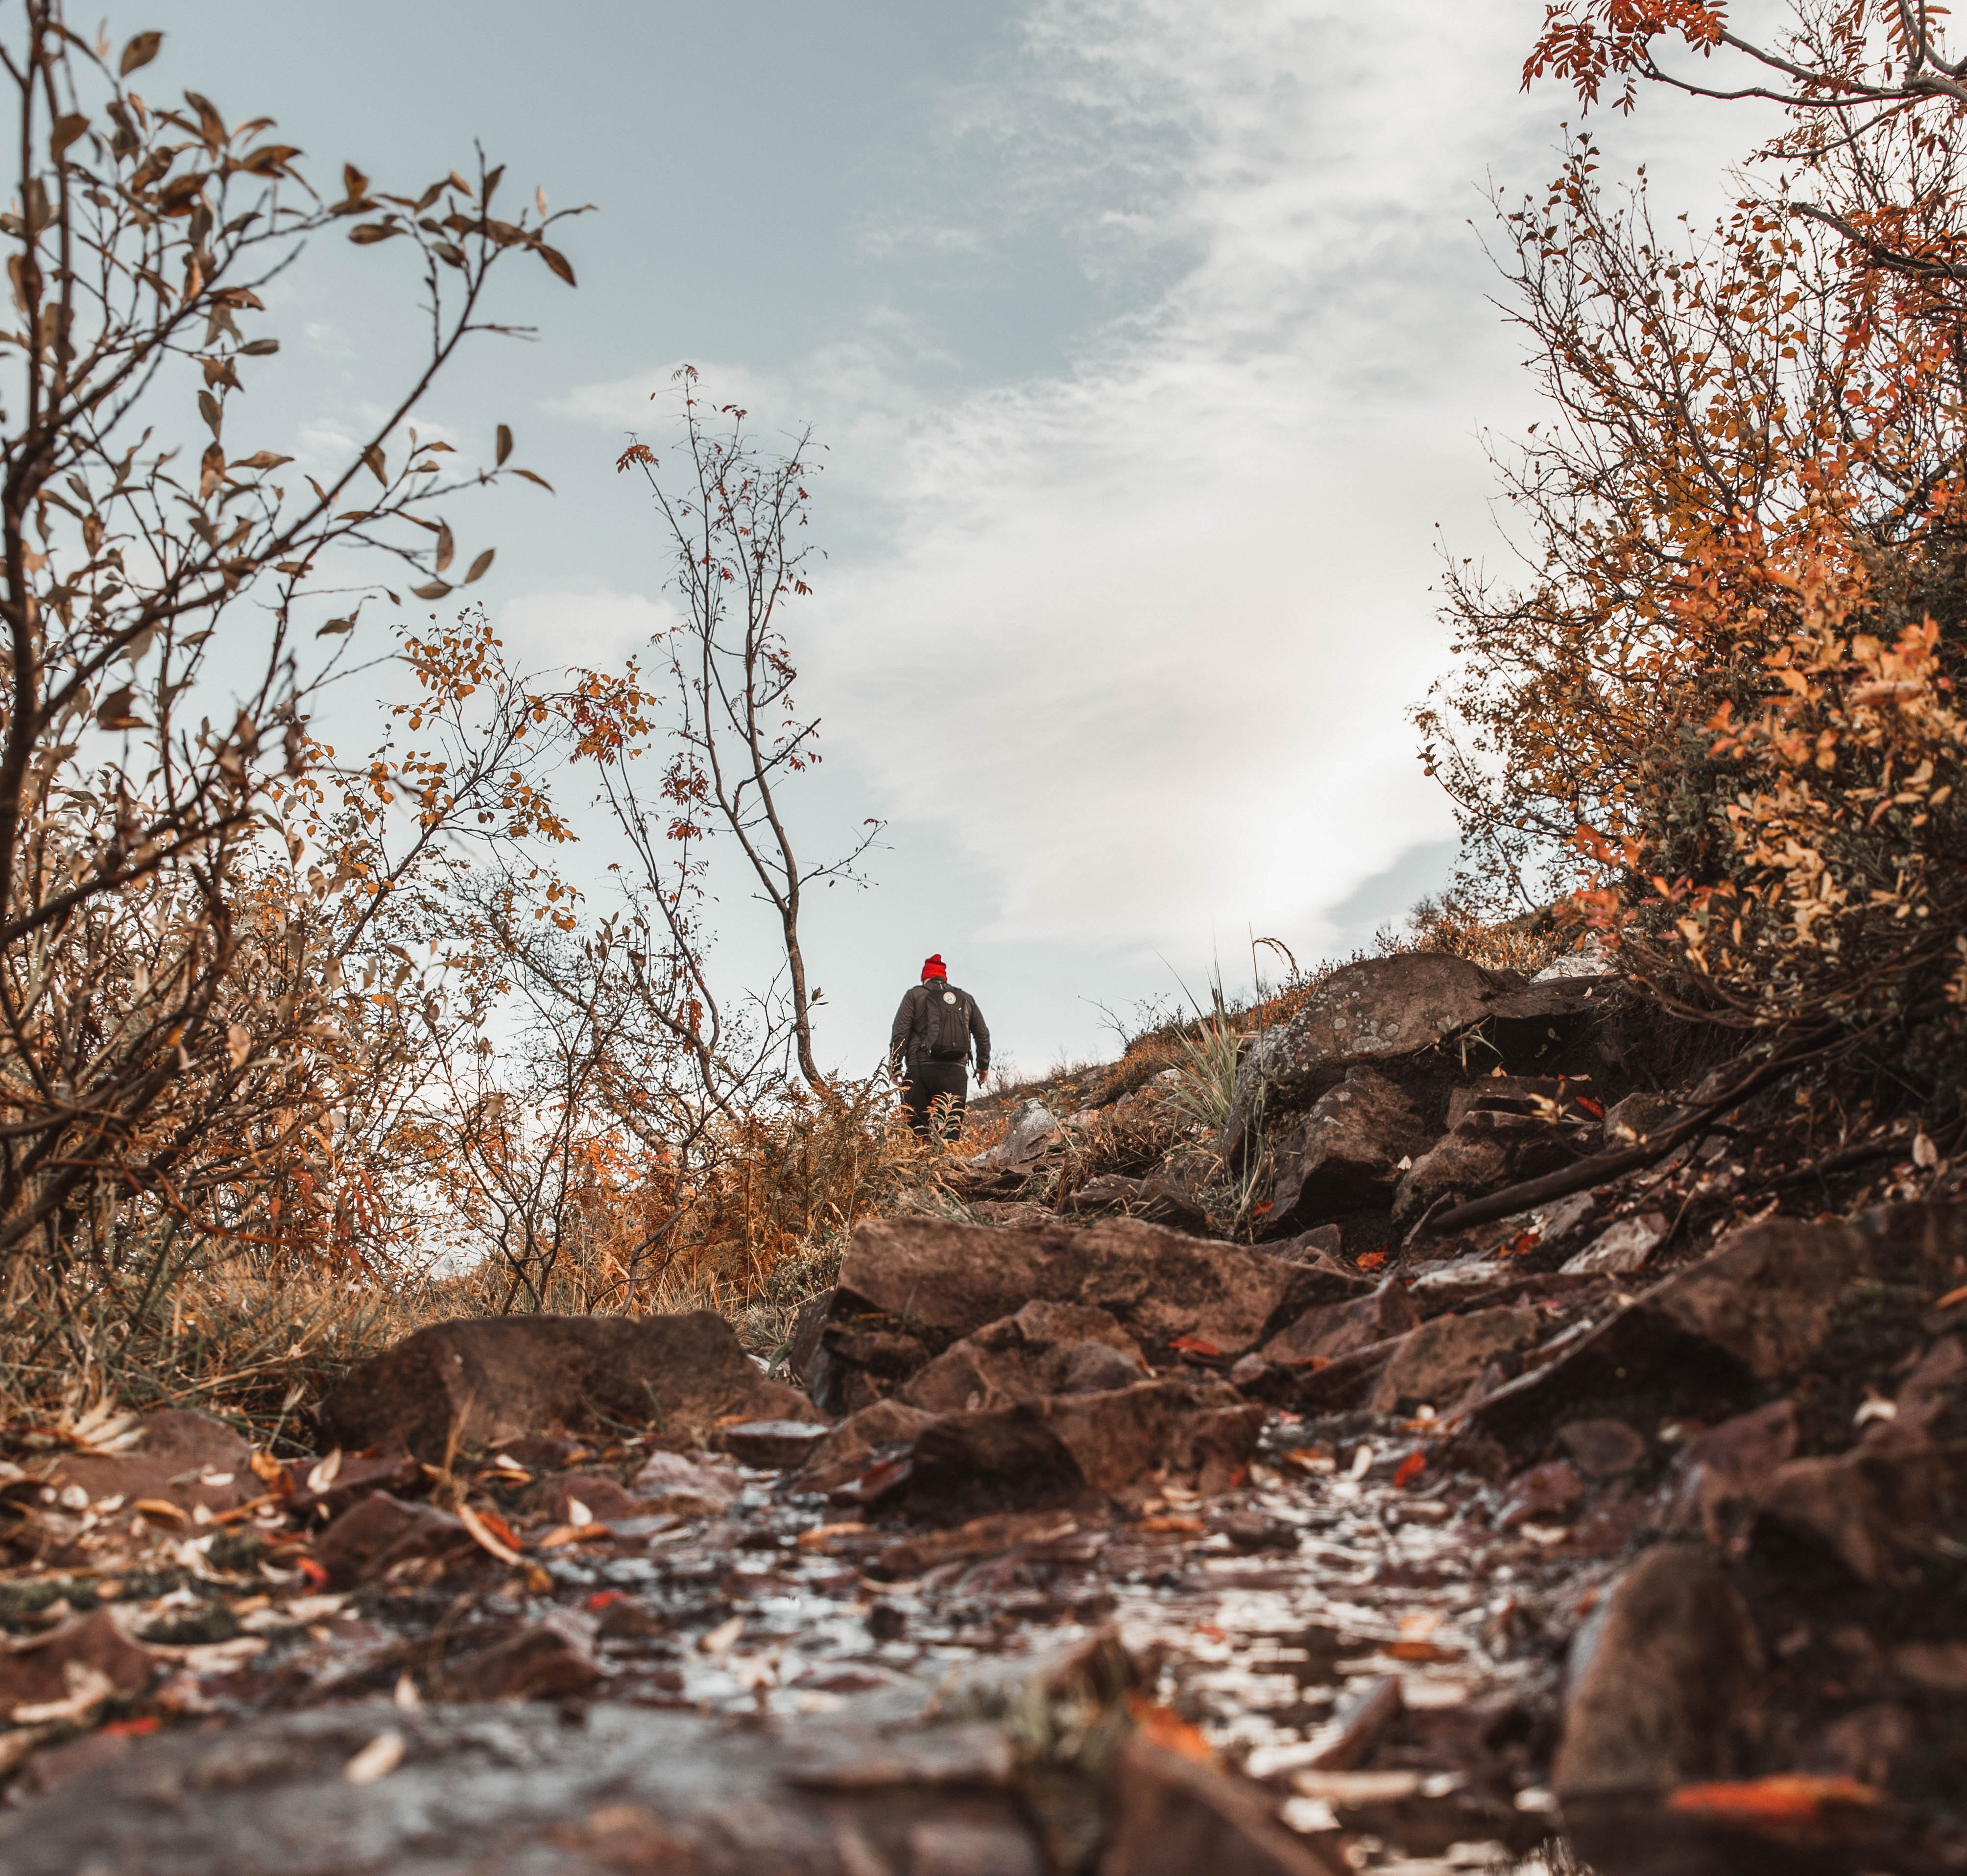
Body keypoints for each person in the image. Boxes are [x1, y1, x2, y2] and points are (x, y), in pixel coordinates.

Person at [889, 954, 990, 1138]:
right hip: (956, 1070)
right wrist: (983, 1066)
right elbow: (982, 1034)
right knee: (950, 1129)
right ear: (944, 977)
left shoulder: (915, 995)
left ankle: (923, 1156)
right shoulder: (965, 998)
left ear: (925, 978)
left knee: (919, 1132)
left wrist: (895, 1067)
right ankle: (947, 1156)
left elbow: (900, 1033)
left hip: (920, 1068)